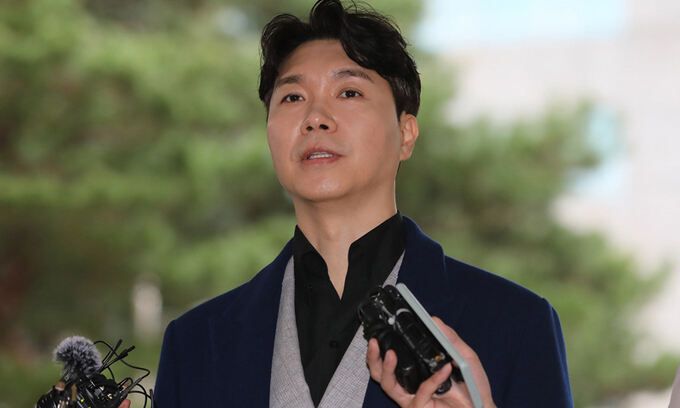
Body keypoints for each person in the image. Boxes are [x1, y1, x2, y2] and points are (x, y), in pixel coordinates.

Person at [151, 1, 573, 407]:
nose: (315, 118)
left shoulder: (515, 322)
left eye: (349, 92)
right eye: (292, 98)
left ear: (405, 134)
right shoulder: (194, 344)